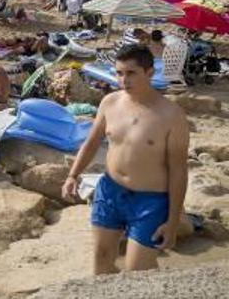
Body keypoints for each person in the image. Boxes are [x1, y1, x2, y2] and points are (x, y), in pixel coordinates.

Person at [62, 45, 189, 274]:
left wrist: (173, 221)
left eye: (131, 73)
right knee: (101, 260)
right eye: (119, 73)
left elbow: (178, 170)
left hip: (150, 201)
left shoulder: (172, 116)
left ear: (150, 73)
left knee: (137, 271)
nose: (123, 80)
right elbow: (91, 142)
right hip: (110, 191)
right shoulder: (110, 103)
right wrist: (73, 175)